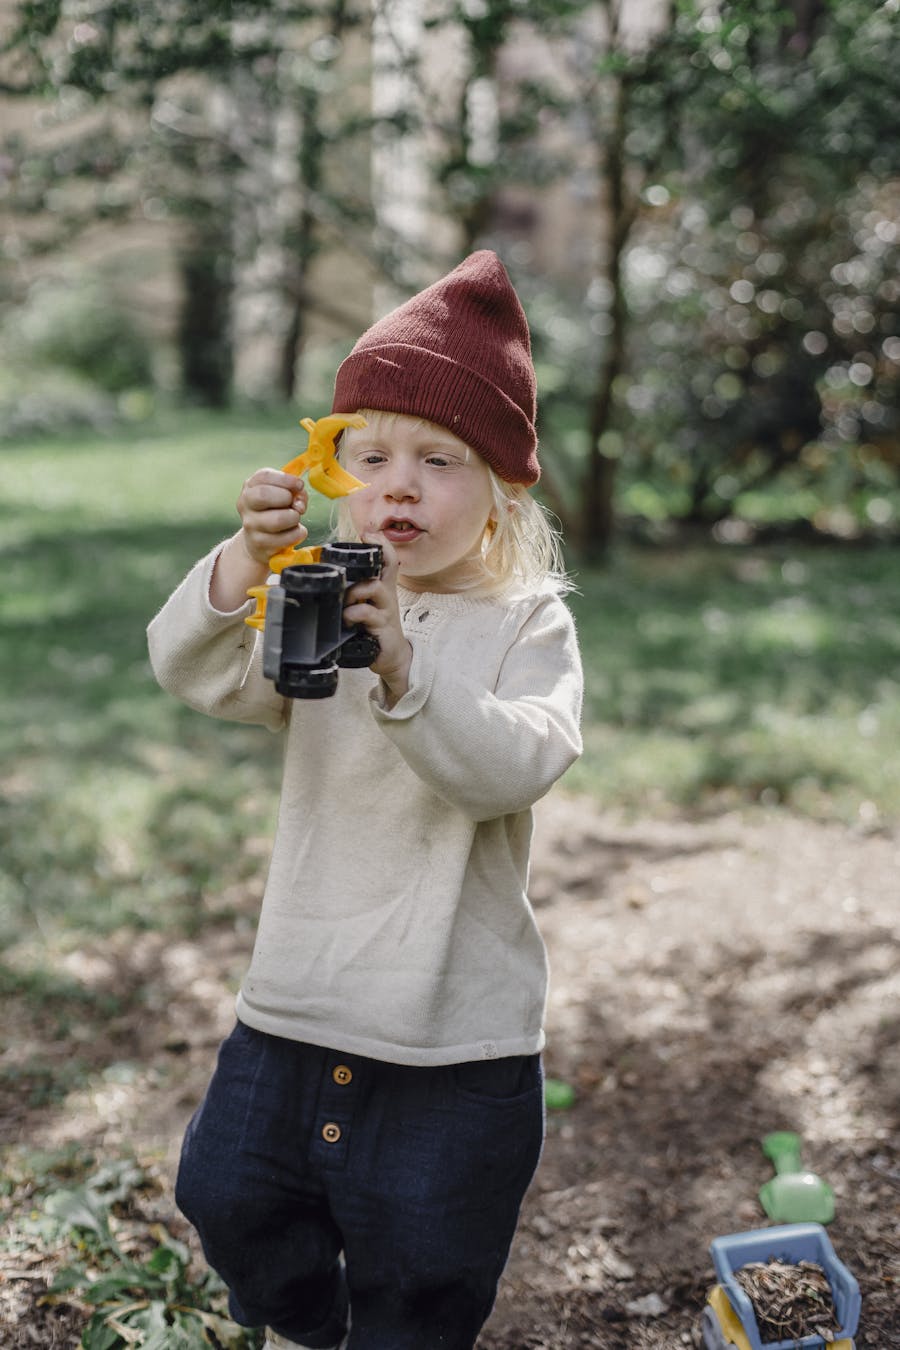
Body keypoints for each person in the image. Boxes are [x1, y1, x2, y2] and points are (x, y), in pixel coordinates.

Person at [147, 250, 583, 1350]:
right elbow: (195, 674)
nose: (400, 482)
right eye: (371, 453)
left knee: (428, 1265)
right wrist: (245, 566)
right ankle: (309, 1329)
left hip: (454, 1030)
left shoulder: (527, 624)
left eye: (439, 461)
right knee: (230, 1195)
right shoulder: (321, 589)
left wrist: (404, 674)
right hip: (298, 995)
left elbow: (516, 763)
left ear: (500, 488)